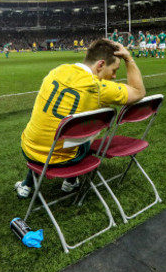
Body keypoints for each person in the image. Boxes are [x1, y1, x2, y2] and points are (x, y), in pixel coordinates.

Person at [15, 39, 146, 199]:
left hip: (28, 149)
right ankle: (69, 182)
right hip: (63, 160)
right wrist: (128, 59)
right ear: (100, 65)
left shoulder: (57, 71)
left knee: (49, 126)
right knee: (91, 130)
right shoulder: (99, 89)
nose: (114, 76)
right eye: (113, 70)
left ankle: (27, 184)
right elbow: (138, 91)